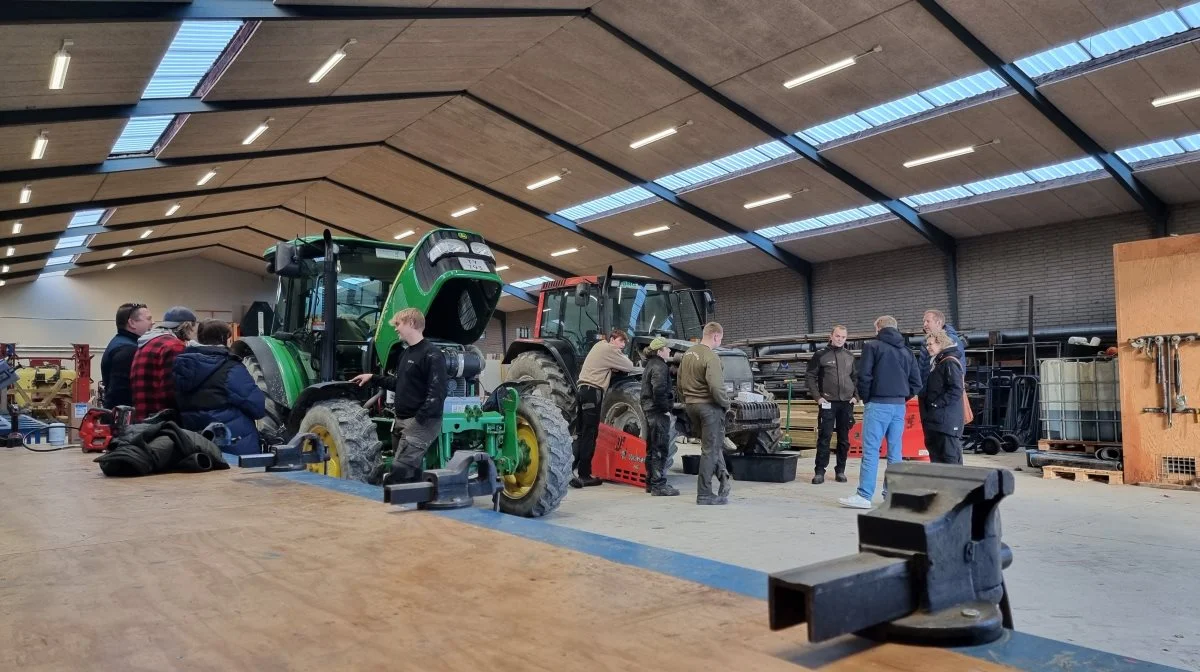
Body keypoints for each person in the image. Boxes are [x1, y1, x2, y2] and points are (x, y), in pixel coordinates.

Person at [351, 308, 446, 485]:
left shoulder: (432, 354)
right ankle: (417, 505)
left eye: (398, 324)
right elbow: (399, 384)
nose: (396, 328)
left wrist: (417, 422)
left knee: (399, 472)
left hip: (421, 423)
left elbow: (437, 396)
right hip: (401, 420)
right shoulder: (406, 354)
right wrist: (373, 377)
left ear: (411, 323)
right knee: (411, 473)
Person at [839, 315, 922, 510]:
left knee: (871, 451)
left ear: (878, 328)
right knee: (895, 452)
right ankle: (892, 495)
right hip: (899, 406)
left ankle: (864, 495)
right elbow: (917, 383)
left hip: (877, 404)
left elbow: (864, 376)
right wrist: (902, 398)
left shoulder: (872, 347)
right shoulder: (907, 352)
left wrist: (868, 399)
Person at [173, 319, 266, 455]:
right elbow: (257, 407)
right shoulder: (230, 368)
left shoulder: (183, 366)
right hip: (233, 446)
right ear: (224, 339)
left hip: (196, 445)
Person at [571, 328, 635, 489]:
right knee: (590, 434)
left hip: (582, 391)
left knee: (581, 433)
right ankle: (584, 475)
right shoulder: (609, 349)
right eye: (621, 342)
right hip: (593, 393)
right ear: (613, 339)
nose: (622, 346)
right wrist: (618, 362)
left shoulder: (598, 347)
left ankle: (570, 470)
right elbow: (629, 366)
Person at [678, 322, 732, 505]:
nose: (720, 341)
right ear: (716, 336)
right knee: (709, 451)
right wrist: (726, 404)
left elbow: (679, 382)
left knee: (712, 446)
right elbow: (716, 386)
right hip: (709, 408)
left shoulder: (688, 354)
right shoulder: (711, 357)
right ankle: (704, 494)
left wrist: (687, 400)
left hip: (691, 406)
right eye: (721, 338)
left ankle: (723, 476)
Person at [804, 324, 857, 485]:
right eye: (838, 336)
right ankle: (819, 471)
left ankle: (840, 470)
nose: (840, 339)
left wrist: (856, 396)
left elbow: (856, 378)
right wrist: (818, 398)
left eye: (843, 337)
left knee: (844, 439)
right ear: (831, 336)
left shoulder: (849, 356)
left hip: (846, 403)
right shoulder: (820, 355)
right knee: (824, 437)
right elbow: (810, 376)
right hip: (827, 402)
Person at [131, 306, 198, 421]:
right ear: (187, 326)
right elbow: (172, 391)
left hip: (142, 417)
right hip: (163, 423)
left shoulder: (146, 343)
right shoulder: (174, 346)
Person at [919, 330, 966, 465]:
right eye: (927, 345)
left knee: (950, 459)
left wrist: (936, 404)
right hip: (938, 420)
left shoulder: (949, 362)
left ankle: (955, 486)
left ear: (941, 343)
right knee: (939, 460)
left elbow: (956, 389)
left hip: (947, 422)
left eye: (931, 344)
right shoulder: (938, 362)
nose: (928, 348)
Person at [640, 336, 679, 497]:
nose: (669, 351)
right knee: (660, 448)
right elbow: (659, 390)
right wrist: (665, 408)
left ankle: (650, 482)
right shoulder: (660, 366)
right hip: (657, 411)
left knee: (651, 448)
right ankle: (658, 485)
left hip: (649, 410)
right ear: (660, 350)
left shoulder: (650, 364)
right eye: (667, 348)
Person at [101, 302, 152, 409]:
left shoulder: (120, 343)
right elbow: (120, 395)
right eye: (148, 319)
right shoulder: (127, 350)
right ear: (132, 323)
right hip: (122, 420)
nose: (153, 322)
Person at [918, 309, 964, 387]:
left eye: (928, 321)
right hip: (926, 390)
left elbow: (959, 368)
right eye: (924, 321)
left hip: (940, 392)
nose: (924, 324)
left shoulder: (951, 340)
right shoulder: (926, 340)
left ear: (938, 323)